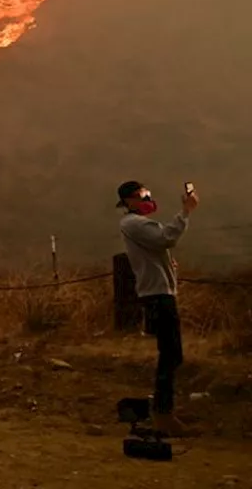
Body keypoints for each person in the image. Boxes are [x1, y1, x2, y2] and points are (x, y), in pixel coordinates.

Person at [116, 180, 199, 437]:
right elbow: (166, 237)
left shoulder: (137, 224)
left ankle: (165, 408)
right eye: (142, 194)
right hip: (157, 296)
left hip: (160, 293)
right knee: (171, 354)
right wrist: (185, 212)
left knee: (171, 353)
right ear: (129, 200)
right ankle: (163, 413)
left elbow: (159, 245)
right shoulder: (133, 223)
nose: (147, 197)